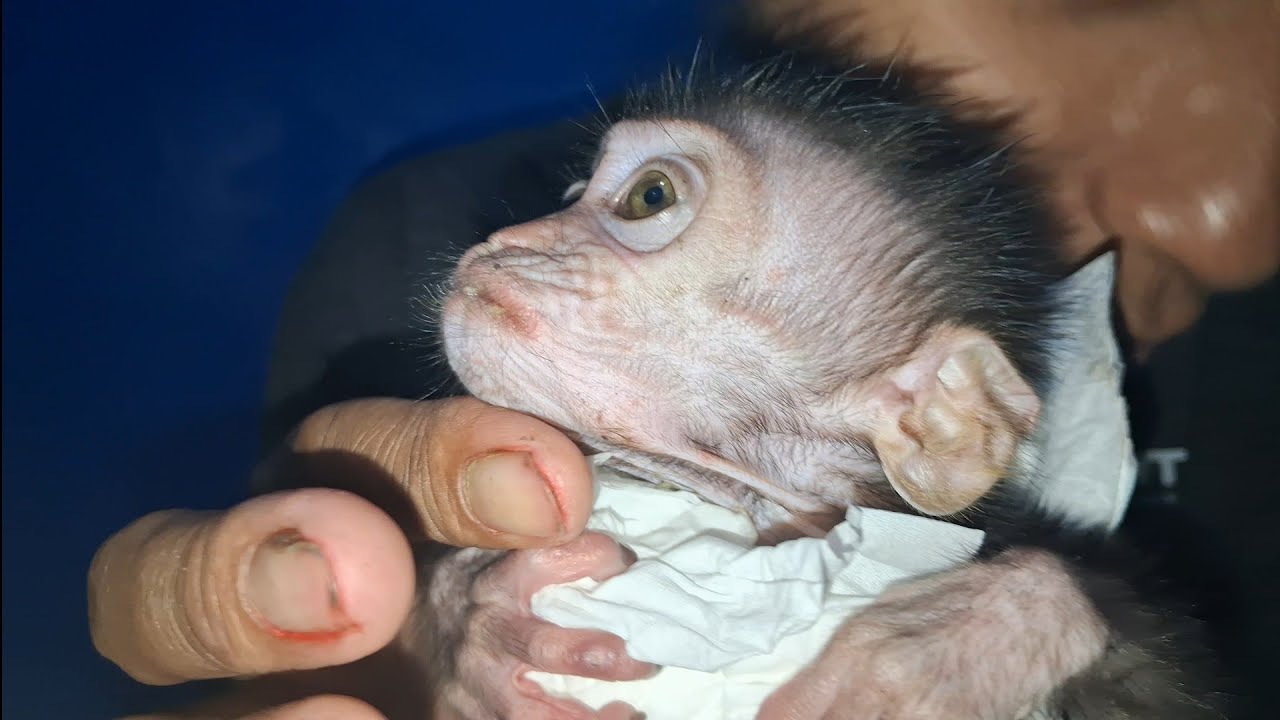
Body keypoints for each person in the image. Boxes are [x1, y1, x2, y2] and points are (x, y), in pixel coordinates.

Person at [89, 3, 1279, 717]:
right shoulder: (415, 257)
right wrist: (423, 630)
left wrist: (1043, 615)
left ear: (939, 421)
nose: (1233, 222)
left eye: (650, 198)